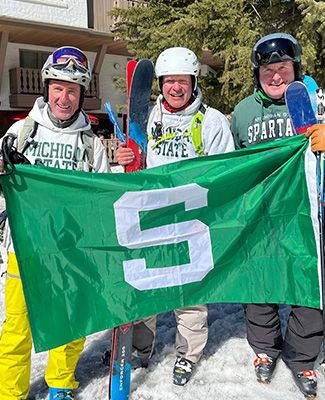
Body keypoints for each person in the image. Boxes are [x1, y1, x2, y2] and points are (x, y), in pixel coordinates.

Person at [116, 46, 234, 385]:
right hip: (153, 217)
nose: (176, 88)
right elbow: (136, 162)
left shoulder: (210, 122)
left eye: (183, 81)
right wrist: (127, 158)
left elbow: (225, 171)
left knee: (190, 295)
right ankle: (140, 349)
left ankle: (188, 353)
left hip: (192, 221)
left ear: (194, 82)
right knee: (146, 285)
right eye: (169, 81)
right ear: (161, 84)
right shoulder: (150, 118)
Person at [0, 46, 110, 400]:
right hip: (26, 249)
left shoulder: (91, 144)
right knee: (17, 329)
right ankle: (10, 392)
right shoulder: (20, 133)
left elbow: (101, 200)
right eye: (59, 88)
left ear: (82, 94)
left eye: (73, 89)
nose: (65, 97)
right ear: (46, 88)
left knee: (70, 323)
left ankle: (61, 384)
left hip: (71, 250)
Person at [231, 32, 323, 399]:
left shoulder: (316, 102)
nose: (276, 76)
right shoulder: (243, 112)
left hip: (305, 210)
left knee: (308, 283)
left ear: (295, 68)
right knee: (259, 283)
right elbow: (232, 162)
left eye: (283, 67)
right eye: (268, 69)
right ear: (258, 73)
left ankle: (302, 355)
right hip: (260, 212)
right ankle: (265, 348)